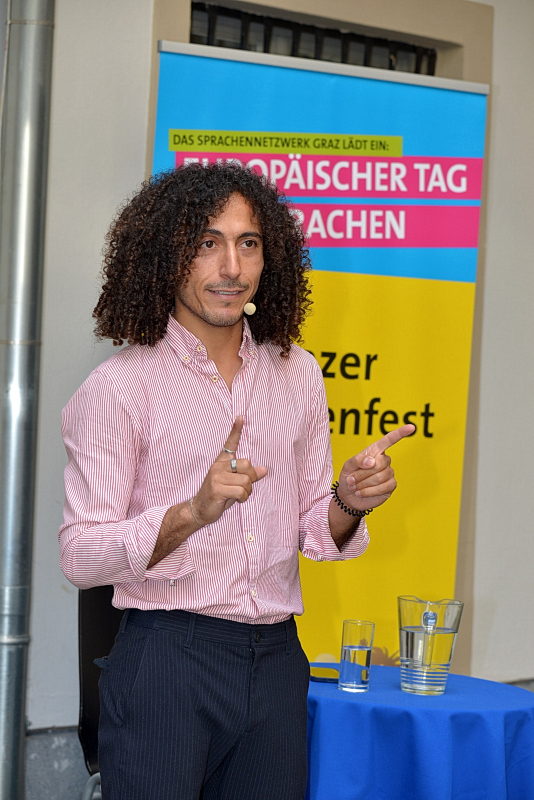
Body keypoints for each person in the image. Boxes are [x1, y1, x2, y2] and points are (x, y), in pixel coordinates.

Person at [59, 162, 414, 800]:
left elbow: (315, 529)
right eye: (207, 243)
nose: (231, 267)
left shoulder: (296, 372)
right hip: (168, 662)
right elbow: (81, 556)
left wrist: (348, 501)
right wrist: (191, 513)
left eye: (247, 243)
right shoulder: (118, 388)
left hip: (277, 662)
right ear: (166, 257)